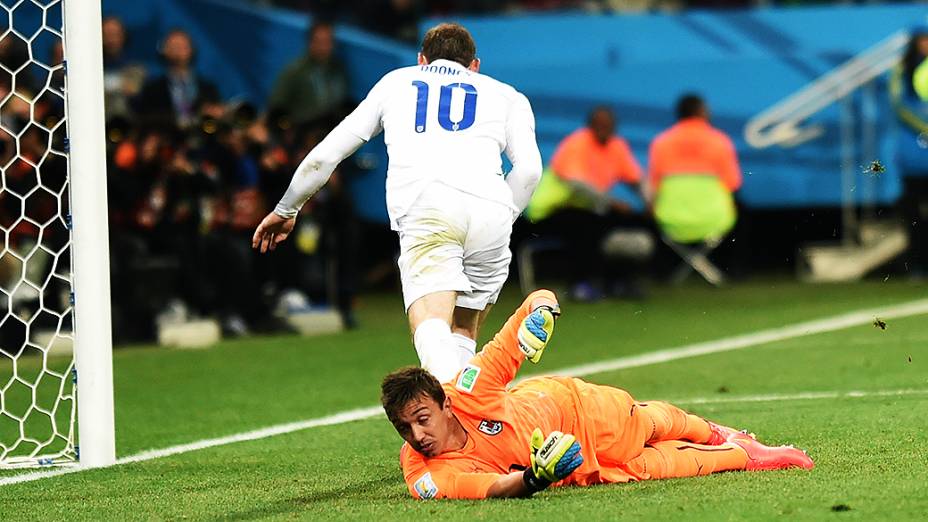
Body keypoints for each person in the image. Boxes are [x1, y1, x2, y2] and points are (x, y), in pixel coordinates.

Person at [253, 23, 543, 382]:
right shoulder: (509, 96)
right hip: (492, 213)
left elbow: (325, 157)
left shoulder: (396, 83)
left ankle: (463, 420)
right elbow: (529, 171)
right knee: (462, 333)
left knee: (431, 326)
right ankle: (470, 410)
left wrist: (286, 209)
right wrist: (503, 212)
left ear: (422, 60)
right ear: (475, 66)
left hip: (430, 210)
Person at [380, 289, 814, 500]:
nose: (417, 436)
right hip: (575, 465)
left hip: (579, 408)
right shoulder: (422, 475)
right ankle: (747, 454)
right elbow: (489, 487)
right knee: (662, 467)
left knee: (648, 423)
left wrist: (543, 314)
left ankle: (718, 432)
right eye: (405, 428)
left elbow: (534, 301)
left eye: (422, 419)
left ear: (446, 404)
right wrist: (536, 478)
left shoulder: (472, 386)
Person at [525, 106, 646, 301]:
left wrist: (649, 201)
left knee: (622, 222)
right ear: (590, 126)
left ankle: (619, 282)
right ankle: (580, 284)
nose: (603, 128)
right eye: (599, 124)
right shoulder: (576, 144)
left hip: (583, 210)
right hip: (547, 212)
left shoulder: (617, 146)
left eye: (607, 125)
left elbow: (636, 179)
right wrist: (613, 203)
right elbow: (579, 185)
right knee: (585, 227)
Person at [890, 26, 928, 276]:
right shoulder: (902, 72)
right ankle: (917, 264)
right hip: (913, 156)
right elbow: (899, 105)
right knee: (914, 214)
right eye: (923, 41)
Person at [267, 21, 350, 129]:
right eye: (320, 42)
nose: (324, 47)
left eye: (328, 42)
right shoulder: (296, 71)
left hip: (330, 133)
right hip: (299, 133)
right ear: (310, 42)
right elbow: (276, 107)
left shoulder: (338, 70)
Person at [134, 29, 221, 129]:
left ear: (192, 50)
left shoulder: (209, 89)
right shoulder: (152, 89)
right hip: (167, 139)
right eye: (174, 46)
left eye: (183, 46)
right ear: (163, 51)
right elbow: (145, 119)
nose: (179, 50)